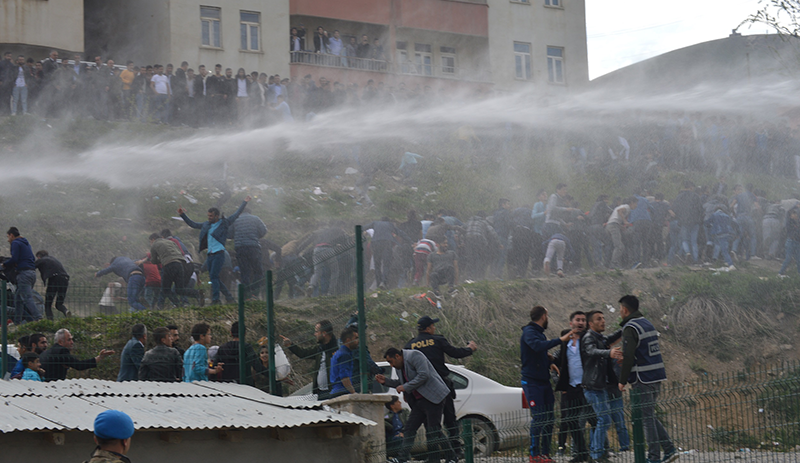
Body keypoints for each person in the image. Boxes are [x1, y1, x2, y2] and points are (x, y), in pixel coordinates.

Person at [404, 315, 477, 459]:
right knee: (450, 418)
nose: (434, 328)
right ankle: (455, 450)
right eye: (433, 326)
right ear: (429, 328)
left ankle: (433, 454)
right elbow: (455, 353)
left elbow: (406, 369)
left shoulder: (409, 345)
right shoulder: (437, 340)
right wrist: (470, 349)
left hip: (421, 390)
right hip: (441, 386)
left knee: (430, 424)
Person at [617, 295, 678, 463]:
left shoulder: (630, 327)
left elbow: (629, 356)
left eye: (620, 309)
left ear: (625, 309)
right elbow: (643, 351)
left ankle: (654, 457)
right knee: (649, 415)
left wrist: (622, 381)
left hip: (642, 377)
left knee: (646, 419)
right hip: (655, 375)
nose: (620, 312)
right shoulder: (646, 323)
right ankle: (668, 448)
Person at [377, 347, 455, 463]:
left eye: (391, 362)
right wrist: (386, 381)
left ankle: (445, 458)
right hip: (419, 401)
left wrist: (405, 387)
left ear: (397, 356)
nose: (391, 365)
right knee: (409, 428)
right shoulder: (400, 367)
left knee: (433, 430)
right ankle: (402, 458)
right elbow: (402, 383)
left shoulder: (415, 356)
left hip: (433, 398)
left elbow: (424, 375)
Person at [521, 306, 577, 463]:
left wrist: (548, 361)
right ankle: (534, 454)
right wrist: (561, 340)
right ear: (544, 316)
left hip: (543, 381)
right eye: (548, 316)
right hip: (532, 382)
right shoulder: (529, 332)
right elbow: (537, 346)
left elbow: (537, 352)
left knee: (549, 418)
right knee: (539, 418)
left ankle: (545, 454)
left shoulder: (539, 334)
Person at [178, 196, 251, 304]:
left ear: (217, 216)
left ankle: (216, 299)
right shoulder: (206, 224)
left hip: (219, 253)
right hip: (210, 254)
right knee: (214, 277)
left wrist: (244, 202)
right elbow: (193, 224)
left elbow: (236, 214)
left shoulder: (224, 223)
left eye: (211, 216)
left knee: (214, 276)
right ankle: (229, 298)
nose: (209, 218)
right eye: (208, 216)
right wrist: (182, 215)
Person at [581, 310, 623, 463]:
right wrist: (608, 353)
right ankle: (596, 455)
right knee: (604, 419)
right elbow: (591, 351)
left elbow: (612, 338)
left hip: (600, 386)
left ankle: (597, 454)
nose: (603, 321)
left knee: (601, 420)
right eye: (599, 319)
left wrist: (626, 325)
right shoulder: (588, 338)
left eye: (604, 318)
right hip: (592, 387)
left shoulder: (600, 338)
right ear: (590, 324)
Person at [552, 311, 590, 462]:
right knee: (571, 421)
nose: (581, 322)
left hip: (588, 386)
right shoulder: (565, 343)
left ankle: (600, 452)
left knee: (595, 420)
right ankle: (581, 454)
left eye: (583, 320)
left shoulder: (589, 339)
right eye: (578, 320)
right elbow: (558, 360)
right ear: (571, 323)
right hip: (571, 388)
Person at [281, 319, 338, 399]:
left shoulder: (337, 350)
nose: (315, 334)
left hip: (333, 392)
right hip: (320, 392)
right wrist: (291, 345)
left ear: (324, 333)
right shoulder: (319, 349)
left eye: (317, 331)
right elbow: (303, 353)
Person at [39, 328, 115, 381]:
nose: (72, 342)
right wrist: (99, 358)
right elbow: (79, 365)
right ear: (60, 342)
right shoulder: (61, 351)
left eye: (72, 339)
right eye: (69, 340)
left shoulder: (50, 351)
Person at [2, 227, 42, 324]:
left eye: (8, 237)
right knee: (18, 299)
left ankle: (39, 318)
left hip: (23, 274)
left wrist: (4, 265)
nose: (8, 240)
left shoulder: (15, 243)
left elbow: (14, 258)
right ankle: (17, 322)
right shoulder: (26, 243)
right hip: (32, 274)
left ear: (12, 235)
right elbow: (32, 258)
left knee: (27, 297)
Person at [364, 217, 412, 289]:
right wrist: (410, 241)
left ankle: (378, 283)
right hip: (386, 243)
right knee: (386, 264)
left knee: (377, 265)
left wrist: (357, 230)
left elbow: (364, 227)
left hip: (375, 243)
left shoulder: (375, 223)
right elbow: (400, 232)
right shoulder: (390, 224)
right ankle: (383, 282)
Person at [230, 207, 268, 299]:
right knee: (258, 271)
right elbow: (264, 231)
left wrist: (237, 237)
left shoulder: (235, 220)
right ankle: (254, 293)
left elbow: (229, 233)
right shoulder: (255, 218)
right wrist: (255, 236)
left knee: (245, 272)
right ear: (250, 212)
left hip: (240, 248)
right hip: (253, 247)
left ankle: (246, 295)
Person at [215, 321, 266, 385]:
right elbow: (257, 366)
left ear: (231, 333)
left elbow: (215, 366)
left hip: (227, 384)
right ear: (245, 333)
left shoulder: (223, 348)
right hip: (245, 384)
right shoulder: (247, 347)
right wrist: (272, 374)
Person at [34, 250, 71, 319]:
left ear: (39, 257)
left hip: (55, 279)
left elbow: (31, 266)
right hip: (65, 279)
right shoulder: (54, 259)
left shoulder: (41, 260)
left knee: (48, 304)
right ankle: (66, 311)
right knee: (59, 304)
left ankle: (50, 321)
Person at [329, 326, 360, 398]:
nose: (358, 341)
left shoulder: (339, 353)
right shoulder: (345, 355)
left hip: (336, 391)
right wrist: (353, 393)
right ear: (348, 340)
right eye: (356, 338)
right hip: (342, 392)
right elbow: (344, 377)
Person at [384, 395, 410, 461]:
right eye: (398, 402)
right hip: (393, 436)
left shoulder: (405, 412)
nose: (400, 403)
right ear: (392, 406)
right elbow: (383, 423)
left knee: (401, 440)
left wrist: (403, 432)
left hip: (403, 434)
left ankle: (401, 459)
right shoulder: (387, 416)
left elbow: (409, 423)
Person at [779, 205, 800, 276]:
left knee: (799, 260)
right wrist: (795, 206)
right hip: (791, 242)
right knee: (788, 258)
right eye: (794, 214)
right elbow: (788, 212)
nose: (796, 215)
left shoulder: (797, 223)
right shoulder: (789, 222)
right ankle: (780, 273)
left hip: (798, 243)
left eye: (796, 214)